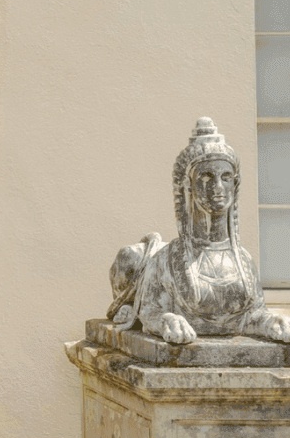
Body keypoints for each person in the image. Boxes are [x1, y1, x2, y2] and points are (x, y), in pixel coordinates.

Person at [108, 118, 290, 344]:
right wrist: (165, 319)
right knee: (130, 256)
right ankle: (126, 302)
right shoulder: (167, 259)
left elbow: (249, 317)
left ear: (235, 184)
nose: (218, 187)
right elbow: (150, 311)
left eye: (226, 177)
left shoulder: (244, 260)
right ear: (189, 186)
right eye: (206, 176)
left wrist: (270, 321)